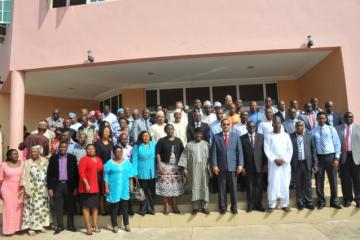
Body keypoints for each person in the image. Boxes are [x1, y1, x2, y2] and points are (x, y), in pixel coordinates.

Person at [211, 118, 244, 214]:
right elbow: (213, 153)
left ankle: (234, 207)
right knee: (222, 188)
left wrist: (240, 164)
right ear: (221, 126)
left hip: (233, 167)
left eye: (227, 124)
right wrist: (214, 165)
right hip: (220, 167)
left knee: (233, 188)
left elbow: (239, 151)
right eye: (224, 124)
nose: (226, 126)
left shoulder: (236, 136)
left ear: (230, 125)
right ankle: (222, 207)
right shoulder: (216, 137)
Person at [47, 142, 79, 234]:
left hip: (69, 185)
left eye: (65, 147)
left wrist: (76, 187)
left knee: (70, 206)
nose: (63, 149)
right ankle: (60, 226)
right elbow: (50, 174)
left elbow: (76, 174)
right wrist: (50, 188)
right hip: (57, 186)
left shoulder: (72, 158)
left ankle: (70, 225)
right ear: (59, 148)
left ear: (67, 148)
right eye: (61, 147)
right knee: (58, 207)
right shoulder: (53, 158)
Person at [311, 112, 342, 209]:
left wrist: (336, 158)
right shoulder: (313, 131)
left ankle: (334, 201)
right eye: (319, 118)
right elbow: (313, 147)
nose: (321, 120)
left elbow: (337, 143)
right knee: (319, 181)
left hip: (330, 157)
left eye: (323, 118)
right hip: (319, 158)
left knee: (333, 180)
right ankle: (321, 202)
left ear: (326, 119)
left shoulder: (331, 129)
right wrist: (314, 162)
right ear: (317, 119)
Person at [264, 117, 293, 213]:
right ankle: (271, 204)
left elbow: (290, 150)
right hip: (273, 164)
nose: (277, 125)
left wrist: (284, 160)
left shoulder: (286, 136)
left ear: (281, 124)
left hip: (285, 165)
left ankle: (284, 204)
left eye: (279, 123)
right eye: (275, 123)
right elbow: (266, 149)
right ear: (272, 124)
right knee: (273, 184)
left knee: (285, 184)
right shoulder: (268, 136)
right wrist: (274, 159)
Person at [179, 128, 210, 215]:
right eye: (197, 134)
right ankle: (195, 207)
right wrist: (185, 168)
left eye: (200, 134)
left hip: (204, 169)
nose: (198, 135)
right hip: (193, 169)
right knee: (194, 186)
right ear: (194, 135)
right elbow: (184, 157)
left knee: (204, 186)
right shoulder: (189, 145)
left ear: (202, 135)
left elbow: (211, 157)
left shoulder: (206, 144)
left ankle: (205, 206)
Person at [104, 146, 135, 233]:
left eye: (121, 151)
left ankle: (126, 224)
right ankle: (114, 225)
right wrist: (106, 187)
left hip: (124, 187)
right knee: (114, 207)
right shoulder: (109, 163)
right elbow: (105, 176)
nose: (119, 153)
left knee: (125, 207)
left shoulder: (126, 162)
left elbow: (130, 174)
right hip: (114, 188)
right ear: (114, 153)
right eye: (117, 152)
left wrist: (131, 185)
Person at [21, 145, 50, 236]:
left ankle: (40, 225)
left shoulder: (45, 161)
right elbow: (24, 176)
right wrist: (25, 188)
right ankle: (30, 227)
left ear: (39, 152)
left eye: (35, 151)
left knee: (42, 207)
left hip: (43, 188)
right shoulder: (27, 162)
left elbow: (49, 173)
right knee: (32, 208)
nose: (33, 153)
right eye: (32, 151)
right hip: (32, 188)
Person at [156, 124, 185, 215]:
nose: (170, 131)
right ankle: (167, 206)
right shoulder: (161, 141)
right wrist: (159, 166)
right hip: (165, 166)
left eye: (171, 129)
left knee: (175, 188)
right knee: (164, 187)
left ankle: (174, 205)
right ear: (165, 131)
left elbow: (183, 154)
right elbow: (157, 154)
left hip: (176, 168)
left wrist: (184, 167)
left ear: (174, 130)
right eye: (168, 129)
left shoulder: (178, 140)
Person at [290, 121, 317, 210]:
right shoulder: (291, 137)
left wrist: (315, 163)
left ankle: (309, 202)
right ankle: (300, 202)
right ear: (295, 127)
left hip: (307, 163)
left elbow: (313, 151)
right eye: (297, 126)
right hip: (296, 164)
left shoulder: (309, 135)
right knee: (298, 184)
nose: (299, 127)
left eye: (301, 126)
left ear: (303, 127)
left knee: (307, 184)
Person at [335, 112, 360, 208]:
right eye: (347, 116)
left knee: (357, 179)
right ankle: (347, 199)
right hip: (344, 158)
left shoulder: (358, 128)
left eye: (351, 116)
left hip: (356, 158)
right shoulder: (337, 129)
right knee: (345, 180)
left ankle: (358, 199)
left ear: (353, 118)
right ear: (343, 118)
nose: (349, 118)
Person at [241, 121, 266, 212]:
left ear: (255, 127)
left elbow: (264, 152)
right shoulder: (242, 138)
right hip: (248, 166)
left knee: (259, 185)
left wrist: (265, 165)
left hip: (259, 165)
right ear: (246, 128)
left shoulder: (261, 137)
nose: (251, 128)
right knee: (250, 185)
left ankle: (259, 204)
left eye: (253, 126)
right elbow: (241, 154)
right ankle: (250, 204)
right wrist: (242, 166)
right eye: (249, 127)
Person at [78, 144, 104, 235]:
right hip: (87, 187)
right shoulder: (84, 159)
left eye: (92, 148)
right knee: (86, 207)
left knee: (95, 206)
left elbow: (100, 169)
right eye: (88, 149)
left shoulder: (99, 159)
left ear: (95, 150)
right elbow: (81, 173)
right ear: (86, 150)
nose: (91, 150)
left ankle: (95, 225)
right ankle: (88, 226)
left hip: (96, 186)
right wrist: (86, 184)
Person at [132, 131, 157, 215]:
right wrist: (134, 173)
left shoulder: (153, 144)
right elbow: (134, 160)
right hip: (141, 172)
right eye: (144, 136)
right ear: (141, 137)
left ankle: (150, 208)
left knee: (151, 191)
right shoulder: (137, 146)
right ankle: (143, 209)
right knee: (143, 191)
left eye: (147, 136)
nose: (146, 137)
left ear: (150, 137)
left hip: (152, 172)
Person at [0, 149, 24, 236]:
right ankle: (8, 230)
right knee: (9, 209)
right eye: (14, 154)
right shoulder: (3, 165)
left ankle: (18, 228)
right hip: (7, 190)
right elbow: (0, 179)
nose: (16, 156)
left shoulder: (22, 163)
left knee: (19, 209)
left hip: (19, 190)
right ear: (9, 156)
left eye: (17, 154)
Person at [94, 125, 113, 215]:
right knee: (101, 189)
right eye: (105, 131)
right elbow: (96, 157)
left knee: (108, 189)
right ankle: (101, 208)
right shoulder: (97, 143)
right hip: (100, 169)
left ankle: (107, 206)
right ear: (101, 132)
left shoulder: (111, 143)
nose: (107, 133)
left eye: (108, 132)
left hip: (109, 169)